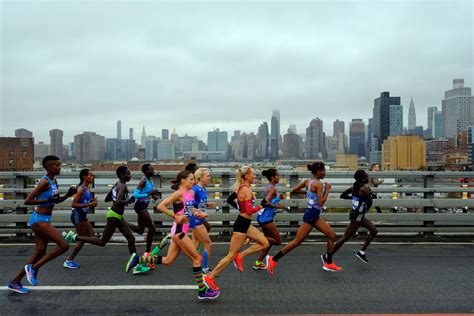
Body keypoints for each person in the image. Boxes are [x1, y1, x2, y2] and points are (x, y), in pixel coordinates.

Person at [6, 155, 77, 294]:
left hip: (45, 219)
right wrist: (44, 201)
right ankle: (33, 268)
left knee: (40, 251)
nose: (60, 167)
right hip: (38, 220)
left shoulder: (54, 181)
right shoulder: (44, 182)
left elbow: (54, 201)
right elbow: (28, 201)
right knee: (64, 245)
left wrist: (68, 195)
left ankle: (14, 282)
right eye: (57, 165)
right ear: (50, 167)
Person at [152, 170, 220, 300]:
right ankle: (202, 290)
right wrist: (175, 216)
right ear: (183, 180)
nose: (193, 181)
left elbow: (188, 210)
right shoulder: (178, 193)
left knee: (168, 261)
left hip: (182, 230)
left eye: (194, 179)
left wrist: (198, 213)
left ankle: (138, 259)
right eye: (191, 179)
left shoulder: (191, 193)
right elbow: (161, 206)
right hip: (178, 231)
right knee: (197, 259)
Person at [63, 166, 144, 274]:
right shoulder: (123, 185)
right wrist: (128, 201)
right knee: (101, 242)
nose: (130, 175)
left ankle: (137, 265)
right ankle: (74, 237)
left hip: (117, 215)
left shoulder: (116, 184)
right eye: (128, 174)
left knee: (131, 239)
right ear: (122, 175)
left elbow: (107, 198)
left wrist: (117, 200)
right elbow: (119, 201)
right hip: (114, 216)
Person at [266, 162, 341, 274]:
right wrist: (327, 190)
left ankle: (328, 262)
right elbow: (320, 203)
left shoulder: (308, 181)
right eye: (324, 171)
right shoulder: (318, 185)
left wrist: (308, 193)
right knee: (297, 241)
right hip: (312, 215)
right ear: (319, 172)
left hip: (313, 214)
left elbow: (294, 190)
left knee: (332, 235)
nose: (325, 173)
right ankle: (273, 259)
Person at [203, 166, 269, 291]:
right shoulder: (246, 191)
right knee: (230, 255)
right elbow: (248, 210)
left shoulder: (240, 188)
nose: (255, 177)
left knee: (265, 243)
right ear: (246, 176)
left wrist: (242, 209)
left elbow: (239, 205)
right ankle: (210, 277)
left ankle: (241, 256)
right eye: (253, 175)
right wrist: (261, 206)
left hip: (246, 223)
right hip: (242, 224)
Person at [323, 170, 378, 264]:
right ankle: (328, 255)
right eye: (366, 176)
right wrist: (368, 198)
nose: (367, 177)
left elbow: (342, 195)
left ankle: (361, 252)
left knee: (374, 231)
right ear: (363, 178)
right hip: (357, 216)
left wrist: (355, 198)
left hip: (357, 215)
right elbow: (370, 202)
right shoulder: (364, 189)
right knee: (345, 237)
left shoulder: (354, 187)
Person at [128, 164, 159, 272]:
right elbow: (136, 194)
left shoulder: (149, 181)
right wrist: (149, 193)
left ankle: (123, 224)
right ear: (146, 171)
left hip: (143, 206)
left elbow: (145, 193)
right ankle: (147, 252)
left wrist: (152, 196)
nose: (153, 170)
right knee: (152, 228)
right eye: (151, 169)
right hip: (140, 207)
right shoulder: (143, 180)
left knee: (141, 230)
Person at [64, 169, 97, 269]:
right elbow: (73, 204)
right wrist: (90, 204)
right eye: (90, 175)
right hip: (77, 215)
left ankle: (72, 237)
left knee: (92, 237)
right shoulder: (81, 189)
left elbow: (84, 200)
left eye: (92, 175)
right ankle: (68, 260)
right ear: (84, 177)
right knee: (82, 239)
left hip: (83, 216)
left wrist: (91, 201)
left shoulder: (88, 188)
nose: (92, 177)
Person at [253, 168, 285, 270]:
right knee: (277, 240)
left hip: (264, 217)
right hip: (266, 218)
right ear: (272, 177)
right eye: (277, 176)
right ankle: (255, 238)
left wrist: (279, 197)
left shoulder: (270, 187)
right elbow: (266, 202)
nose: (279, 177)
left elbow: (270, 198)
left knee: (269, 243)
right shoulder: (272, 188)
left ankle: (258, 262)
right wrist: (278, 207)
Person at [190, 168, 215, 274]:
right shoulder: (195, 189)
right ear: (200, 178)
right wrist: (199, 213)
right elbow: (188, 206)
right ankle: (204, 269)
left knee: (195, 244)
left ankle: (196, 265)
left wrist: (207, 205)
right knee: (208, 244)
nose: (210, 178)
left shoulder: (202, 189)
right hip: (196, 220)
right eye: (208, 176)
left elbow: (198, 204)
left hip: (198, 219)